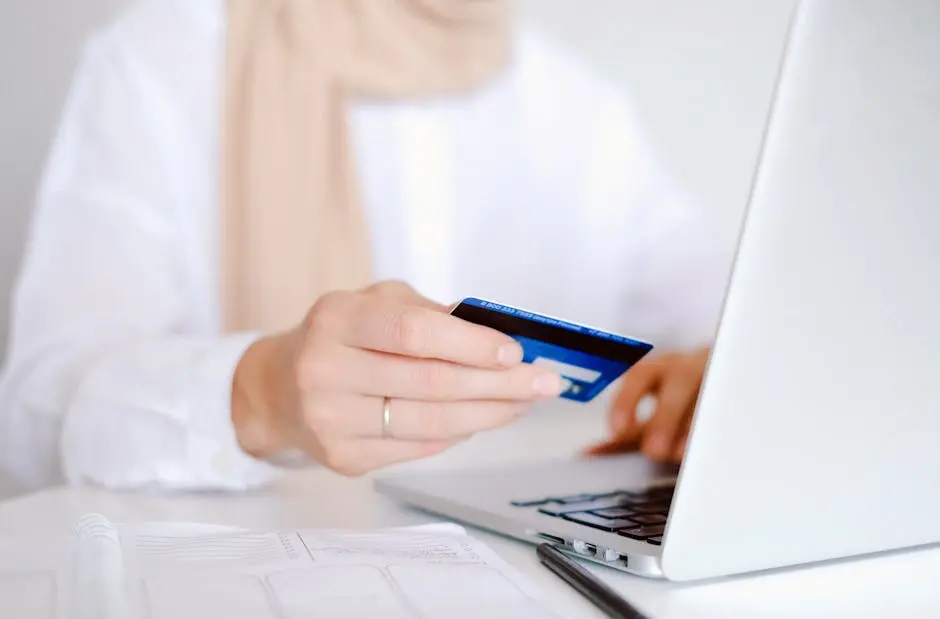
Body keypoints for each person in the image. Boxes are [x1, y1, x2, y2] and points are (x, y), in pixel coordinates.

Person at [0, 0, 728, 493]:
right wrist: (257, 391)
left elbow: (727, 310)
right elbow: (35, 417)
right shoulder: (162, 58)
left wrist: (721, 371)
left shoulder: (579, 105)